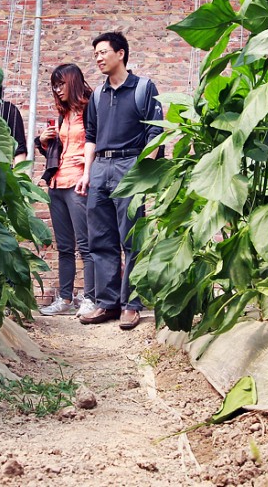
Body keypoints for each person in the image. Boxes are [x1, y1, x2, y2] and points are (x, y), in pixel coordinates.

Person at [76, 32, 163, 330]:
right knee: (101, 239)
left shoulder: (143, 88)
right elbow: (90, 136)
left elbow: (156, 131)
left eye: (103, 52)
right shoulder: (98, 96)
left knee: (132, 238)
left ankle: (131, 304)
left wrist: (143, 169)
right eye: (95, 54)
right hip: (101, 166)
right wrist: (87, 173)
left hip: (130, 164)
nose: (98, 58)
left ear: (121, 53)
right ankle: (108, 303)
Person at [35, 64, 97, 318]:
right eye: (54, 85)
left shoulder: (92, 109)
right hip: (57, 184)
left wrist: (89, 171)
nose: (57, 89)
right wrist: (43, 142)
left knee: (86, 245)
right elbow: (58, 152)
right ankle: (65, 298)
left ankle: (91, 299)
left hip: (78, 183)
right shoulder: (64, 114)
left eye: (61, 84)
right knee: (64, 247)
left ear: (73, 82)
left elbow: (99, 142)